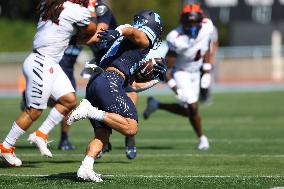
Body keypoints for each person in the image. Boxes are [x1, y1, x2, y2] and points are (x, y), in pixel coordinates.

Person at [66, 9, 165, 182]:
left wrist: (156, 80)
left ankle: (85, 168)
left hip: (97, 82)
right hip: (109, 80)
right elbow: (130, 29)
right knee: (131, 127)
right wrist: (117, 31)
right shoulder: (141, 39)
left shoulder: (127, 48)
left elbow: (133, 86)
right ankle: (89, 111)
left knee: (102, 136)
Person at [0, 0, 97, 167]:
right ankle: (6, 147)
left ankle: (41, 134)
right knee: (34, 111)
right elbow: (91, 28)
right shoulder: (72, 9)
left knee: (69, 101)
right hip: (42, 62)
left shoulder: (49, 4)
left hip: (49, 62)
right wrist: (92, 6)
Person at [143, 3, 213, 150]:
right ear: (183, 21)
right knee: (193, 105)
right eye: (189, 21)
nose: (192, 25)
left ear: (201, 20)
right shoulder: (176, 38)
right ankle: (202, 139)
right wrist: (177, 90)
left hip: (196, 72)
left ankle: (156, 104)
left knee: (190, 111)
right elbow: (165, 69)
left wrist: (206, 70)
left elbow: (207, 47)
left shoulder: (207, 27)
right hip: (181, 72)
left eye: (195, 21)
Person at [199, 25, 219, 104]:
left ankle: (206, 96)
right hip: (197, 57)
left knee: (206, 76)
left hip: (207, 56)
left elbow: (214, 42)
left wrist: (212, 56)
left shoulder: (211, 28)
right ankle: (200, 96)